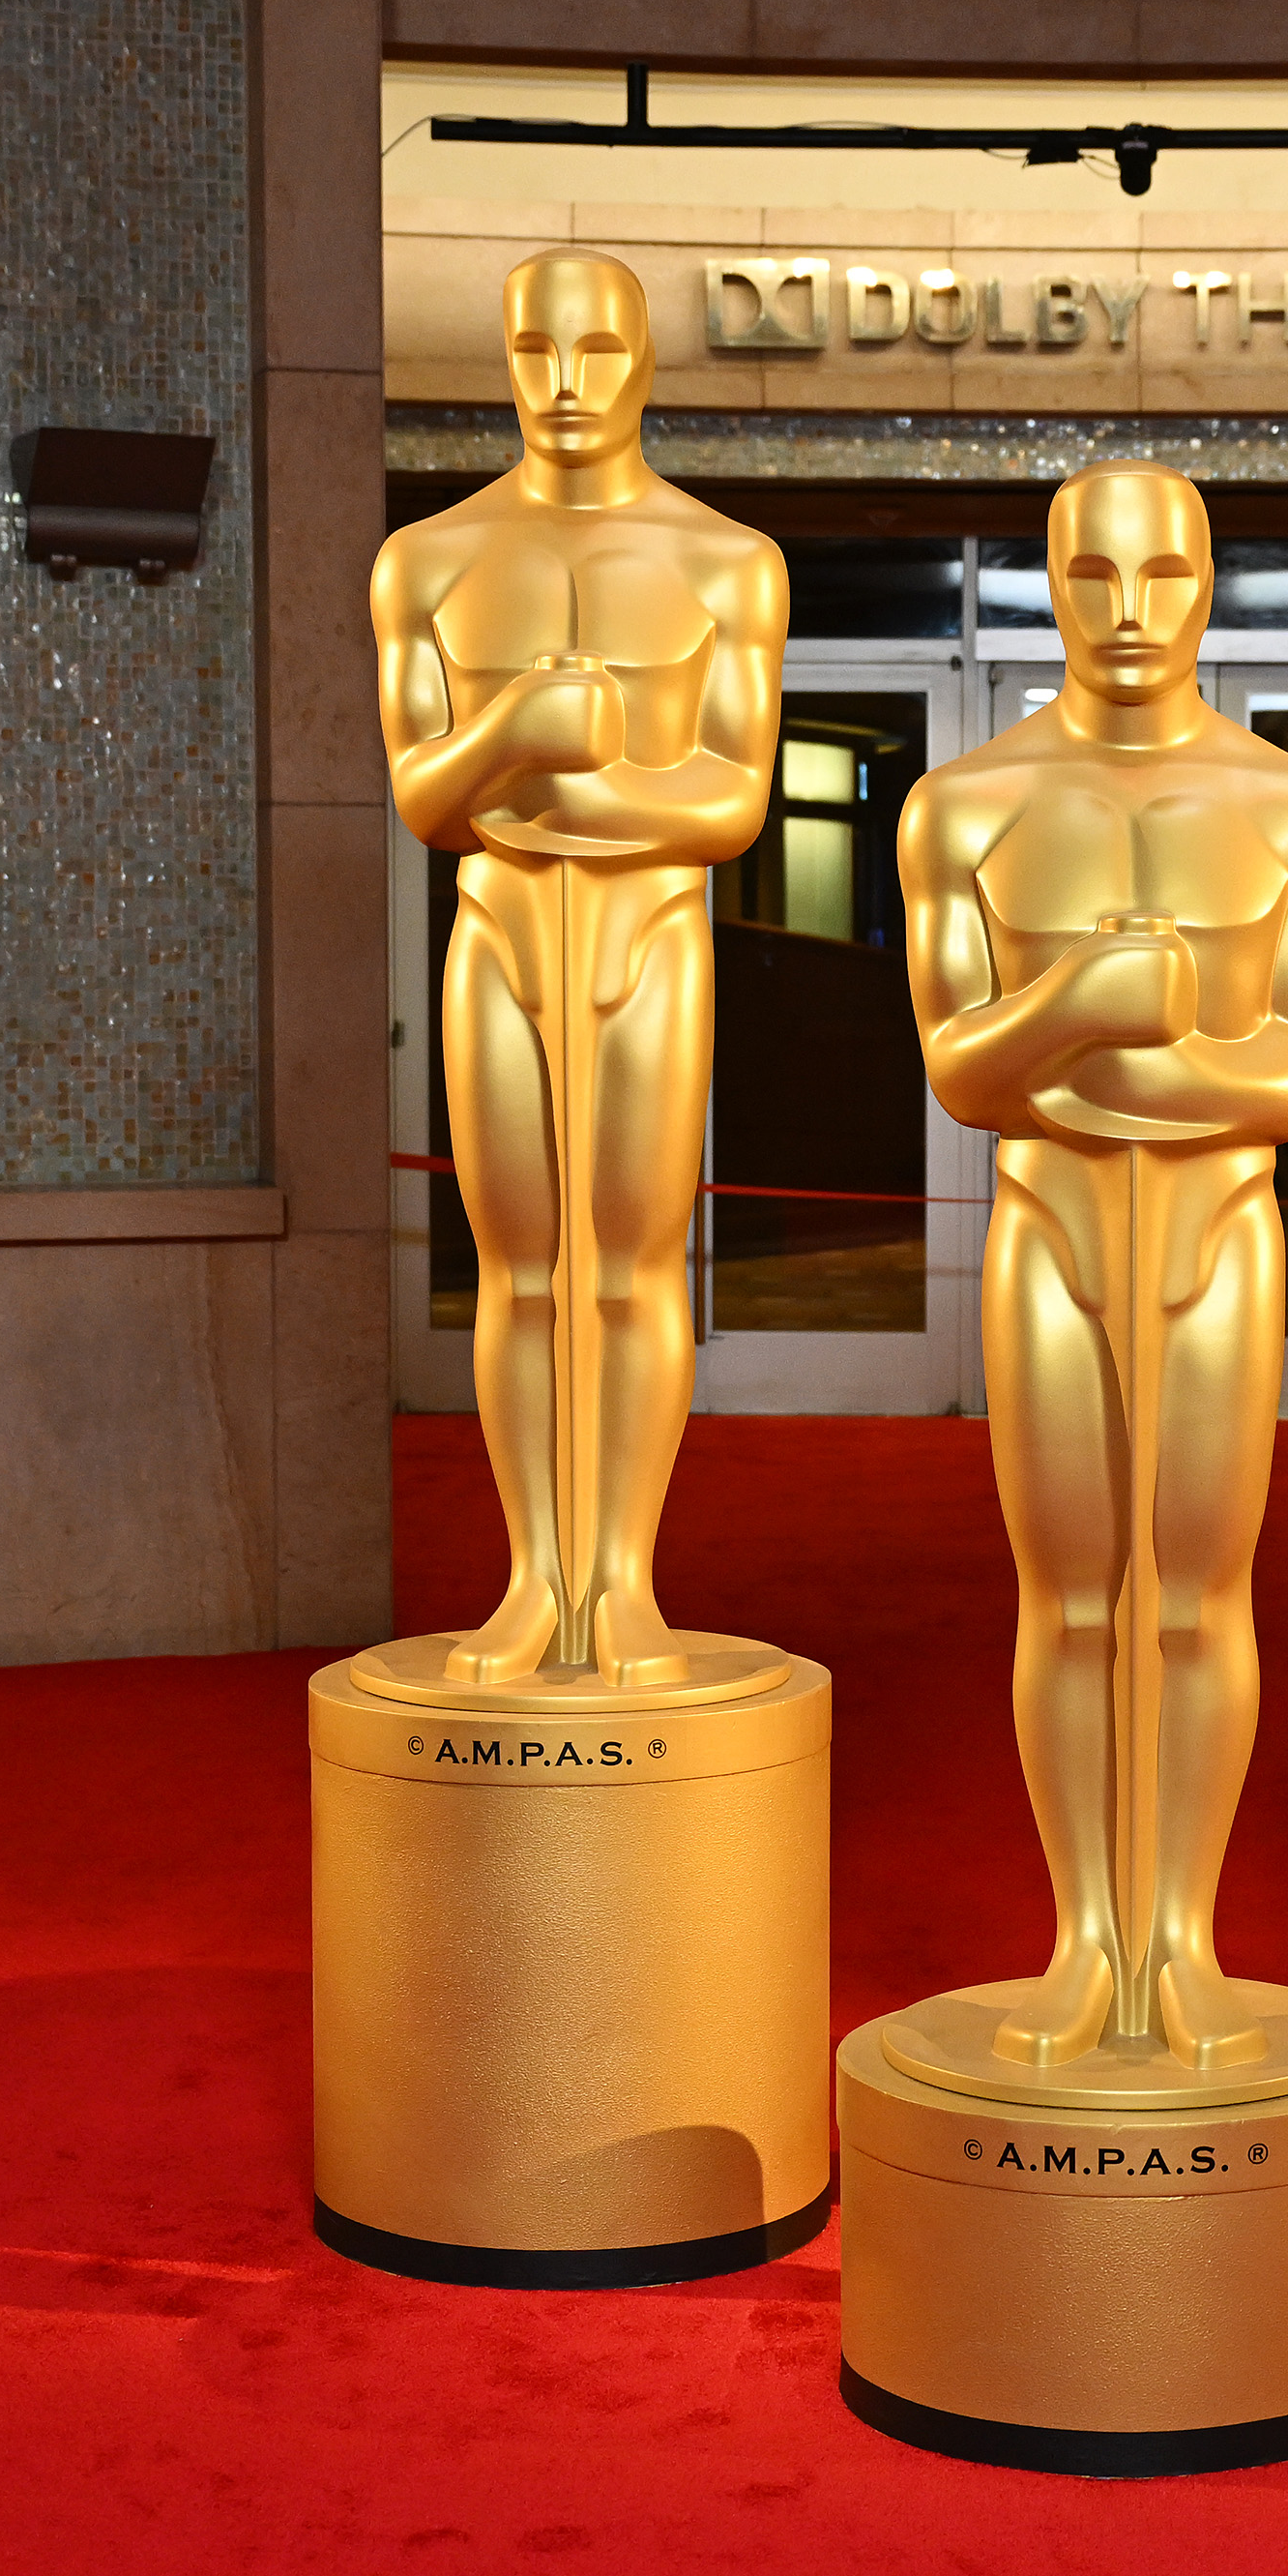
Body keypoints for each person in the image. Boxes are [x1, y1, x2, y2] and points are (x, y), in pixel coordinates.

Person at [898, 464, 1288, 2077]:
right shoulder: (965, 806)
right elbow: (962, 1070)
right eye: (1093, 575)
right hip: (1050, 1234)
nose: (1130, 610)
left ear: (1212, 578)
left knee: (1204, 1591)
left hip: (1222, 1236)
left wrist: (1106, 1067)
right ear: (1049, 580)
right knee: (1075, 1594)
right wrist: (1090, 1000)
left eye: (1164, 573)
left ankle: (1188, 1929)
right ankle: (1087, 1931)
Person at [374, 249, 781, 1687]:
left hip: (650, 938)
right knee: (523, 1267)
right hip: (494, 936)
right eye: (537, 348)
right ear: (503, 353)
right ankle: (535, 1574)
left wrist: (569, 788)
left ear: (646, 358)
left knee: (634, 1261)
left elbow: (730, 804)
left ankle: (625, 1575)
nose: (564, 383)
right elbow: (427, 797)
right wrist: (516, 736)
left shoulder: (725, 563)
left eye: (597, 350)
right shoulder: (426, 559)